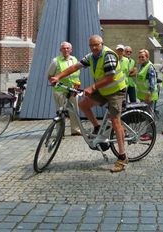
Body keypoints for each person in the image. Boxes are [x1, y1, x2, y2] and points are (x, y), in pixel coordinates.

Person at [50, 35, 129, 173]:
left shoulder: (108, 56)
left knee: (115, 121)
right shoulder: (91, 57)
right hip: (103, 89)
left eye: (96, 45)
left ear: (102, 44)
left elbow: (110, 78)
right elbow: (75, 67)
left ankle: (122, 157)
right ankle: (98, 127)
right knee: (83, 105)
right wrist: (58, 77)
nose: (93, 47)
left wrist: (92, 87)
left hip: (116, 91)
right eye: (91, 45)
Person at [47, 41, 82, 136]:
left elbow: (76, 74)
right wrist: (55, 83)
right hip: (60, 90)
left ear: (71, 50)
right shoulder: (55, 61)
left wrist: (77, 84)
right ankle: (60, 132)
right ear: (60, 50)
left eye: (67, 48)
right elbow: (50, 76)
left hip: (73, 90)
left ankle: (75, 130)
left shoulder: (74, 59)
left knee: (74, 111)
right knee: (60, 111)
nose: (66, 50)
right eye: (63, 48)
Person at [135, 49, 158, 141]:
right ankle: (148, 131)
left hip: (149, 96)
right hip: (143, 96)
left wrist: (148, 95)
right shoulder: (142, 66)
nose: (141, 58)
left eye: (143, 57)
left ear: (147, 57)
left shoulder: (149, 67)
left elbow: (152, 83)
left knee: (149, 114)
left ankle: (150, 133)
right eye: (139, 57)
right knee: (147, 114)